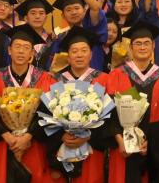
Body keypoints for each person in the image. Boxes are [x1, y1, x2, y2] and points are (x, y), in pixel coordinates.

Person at [36, 26, 113, 183]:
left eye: (84, 50)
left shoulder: (104, 80)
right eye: (74, 51)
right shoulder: (55, 81)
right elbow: (45, 117)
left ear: (91, 55)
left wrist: (88, 136)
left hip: (92, 150)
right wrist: (61, 136)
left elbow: (111, 118)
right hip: (61, 147)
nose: (79, 55)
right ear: (68, 57)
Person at [0, 24, 56, 183]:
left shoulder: (44, 78)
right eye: (17, 46)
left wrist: (28, 137)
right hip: (4, 143)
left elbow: (46, 112)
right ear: (9, 50)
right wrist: (8, 136)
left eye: (26, 47)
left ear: (32, 53)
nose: (21, 51)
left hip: (33, 143)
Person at [105, 20, 159, 183]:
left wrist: (151, 144)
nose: (142, 47)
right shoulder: (117, 74)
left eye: (146, 43)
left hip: (154, 150)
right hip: (123, 147)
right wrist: (120, 140)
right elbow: (109, 113)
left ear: (153, 46)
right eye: (138, 43)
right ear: (131, 48)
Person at [42, 0, 108, 72]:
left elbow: (95, 9)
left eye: (77, 8)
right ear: (63, 16)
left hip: (95, 78)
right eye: (68, 10)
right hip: (67, 80)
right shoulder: (60, 39)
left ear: (84, 10)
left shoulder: (93, 31)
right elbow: (52, 67)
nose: (73, 12)